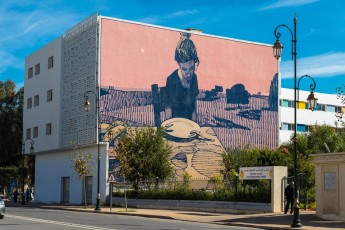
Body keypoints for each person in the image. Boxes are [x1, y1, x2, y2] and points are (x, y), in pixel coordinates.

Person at [164, 32, 199, 121]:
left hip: (190, 126)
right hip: (175, 124)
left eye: (191, 68)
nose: (189, 73)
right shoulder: (171, 79)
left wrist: (195, 127)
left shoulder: (194, 78)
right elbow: (168, 108)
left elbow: (193, 109)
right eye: (184, 69)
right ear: (179, 65)